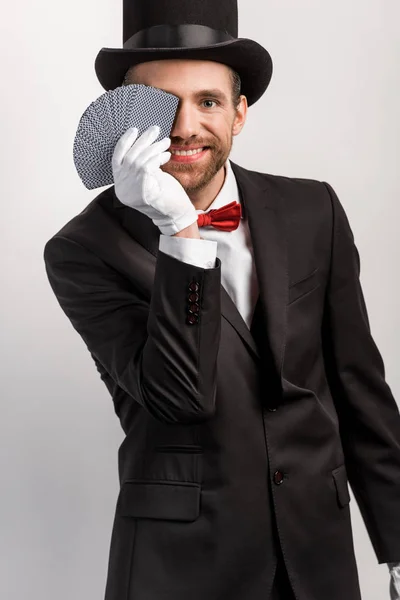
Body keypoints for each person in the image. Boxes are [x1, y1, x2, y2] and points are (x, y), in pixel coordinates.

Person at [43, 1, 400, 598]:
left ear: (239, 113)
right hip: (180, 564)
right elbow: (179, 397)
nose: (184, 127)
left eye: (207, 102)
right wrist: (179, 232)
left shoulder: (314, 210)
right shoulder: (83, 250)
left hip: (317, 555)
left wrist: (396, 541)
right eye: (159, 105)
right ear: (121, 117)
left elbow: (359, 386)